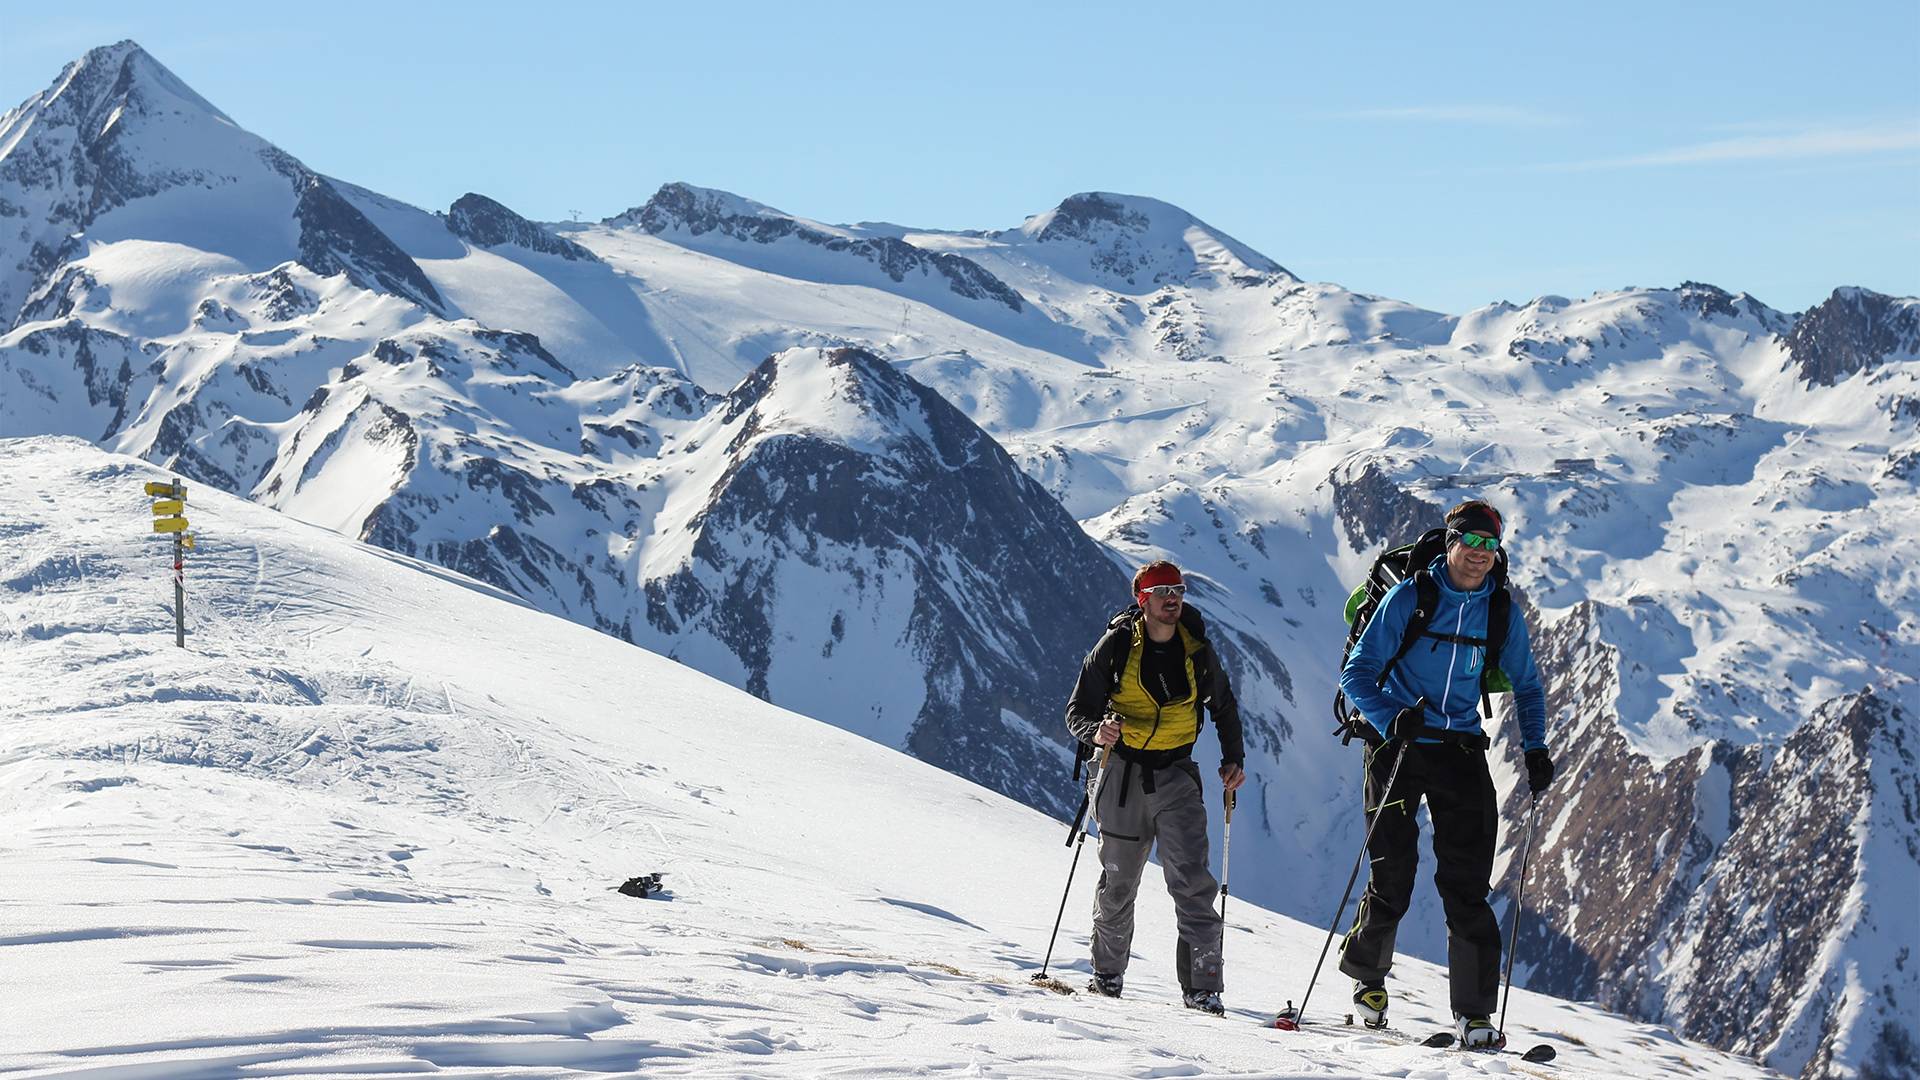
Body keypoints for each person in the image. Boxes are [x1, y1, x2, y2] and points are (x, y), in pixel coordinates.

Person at [1336, 500, 1553, 1048]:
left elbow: (1527, 686)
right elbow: (1355, 673)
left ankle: (1475, 1015)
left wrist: (1536, 748)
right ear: (1451, 541)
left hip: (1460, 751)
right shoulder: (1411, 596)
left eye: (1490, 546)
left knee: (1467, 885)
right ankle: (1367, 978)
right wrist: (1391, 718)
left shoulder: (1499, 610)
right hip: (1398, 746)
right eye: (1471, 543)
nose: (1479, 556)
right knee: (1393, 875)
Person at [1064, 560, 1247, 1015]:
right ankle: (1106, 976)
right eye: (1163, 590)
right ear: (1143, 600)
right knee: (1119, 882)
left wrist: (1233, 760)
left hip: (1176, 772)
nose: (1173, 598)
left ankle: (1203, 987)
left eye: (1179, 590)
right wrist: (1096, 731)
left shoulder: (1196, 649)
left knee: (1192, 883)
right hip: (1120, 771)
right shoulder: (1117, 645)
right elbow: (1077, 711)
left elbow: (1223, 705)